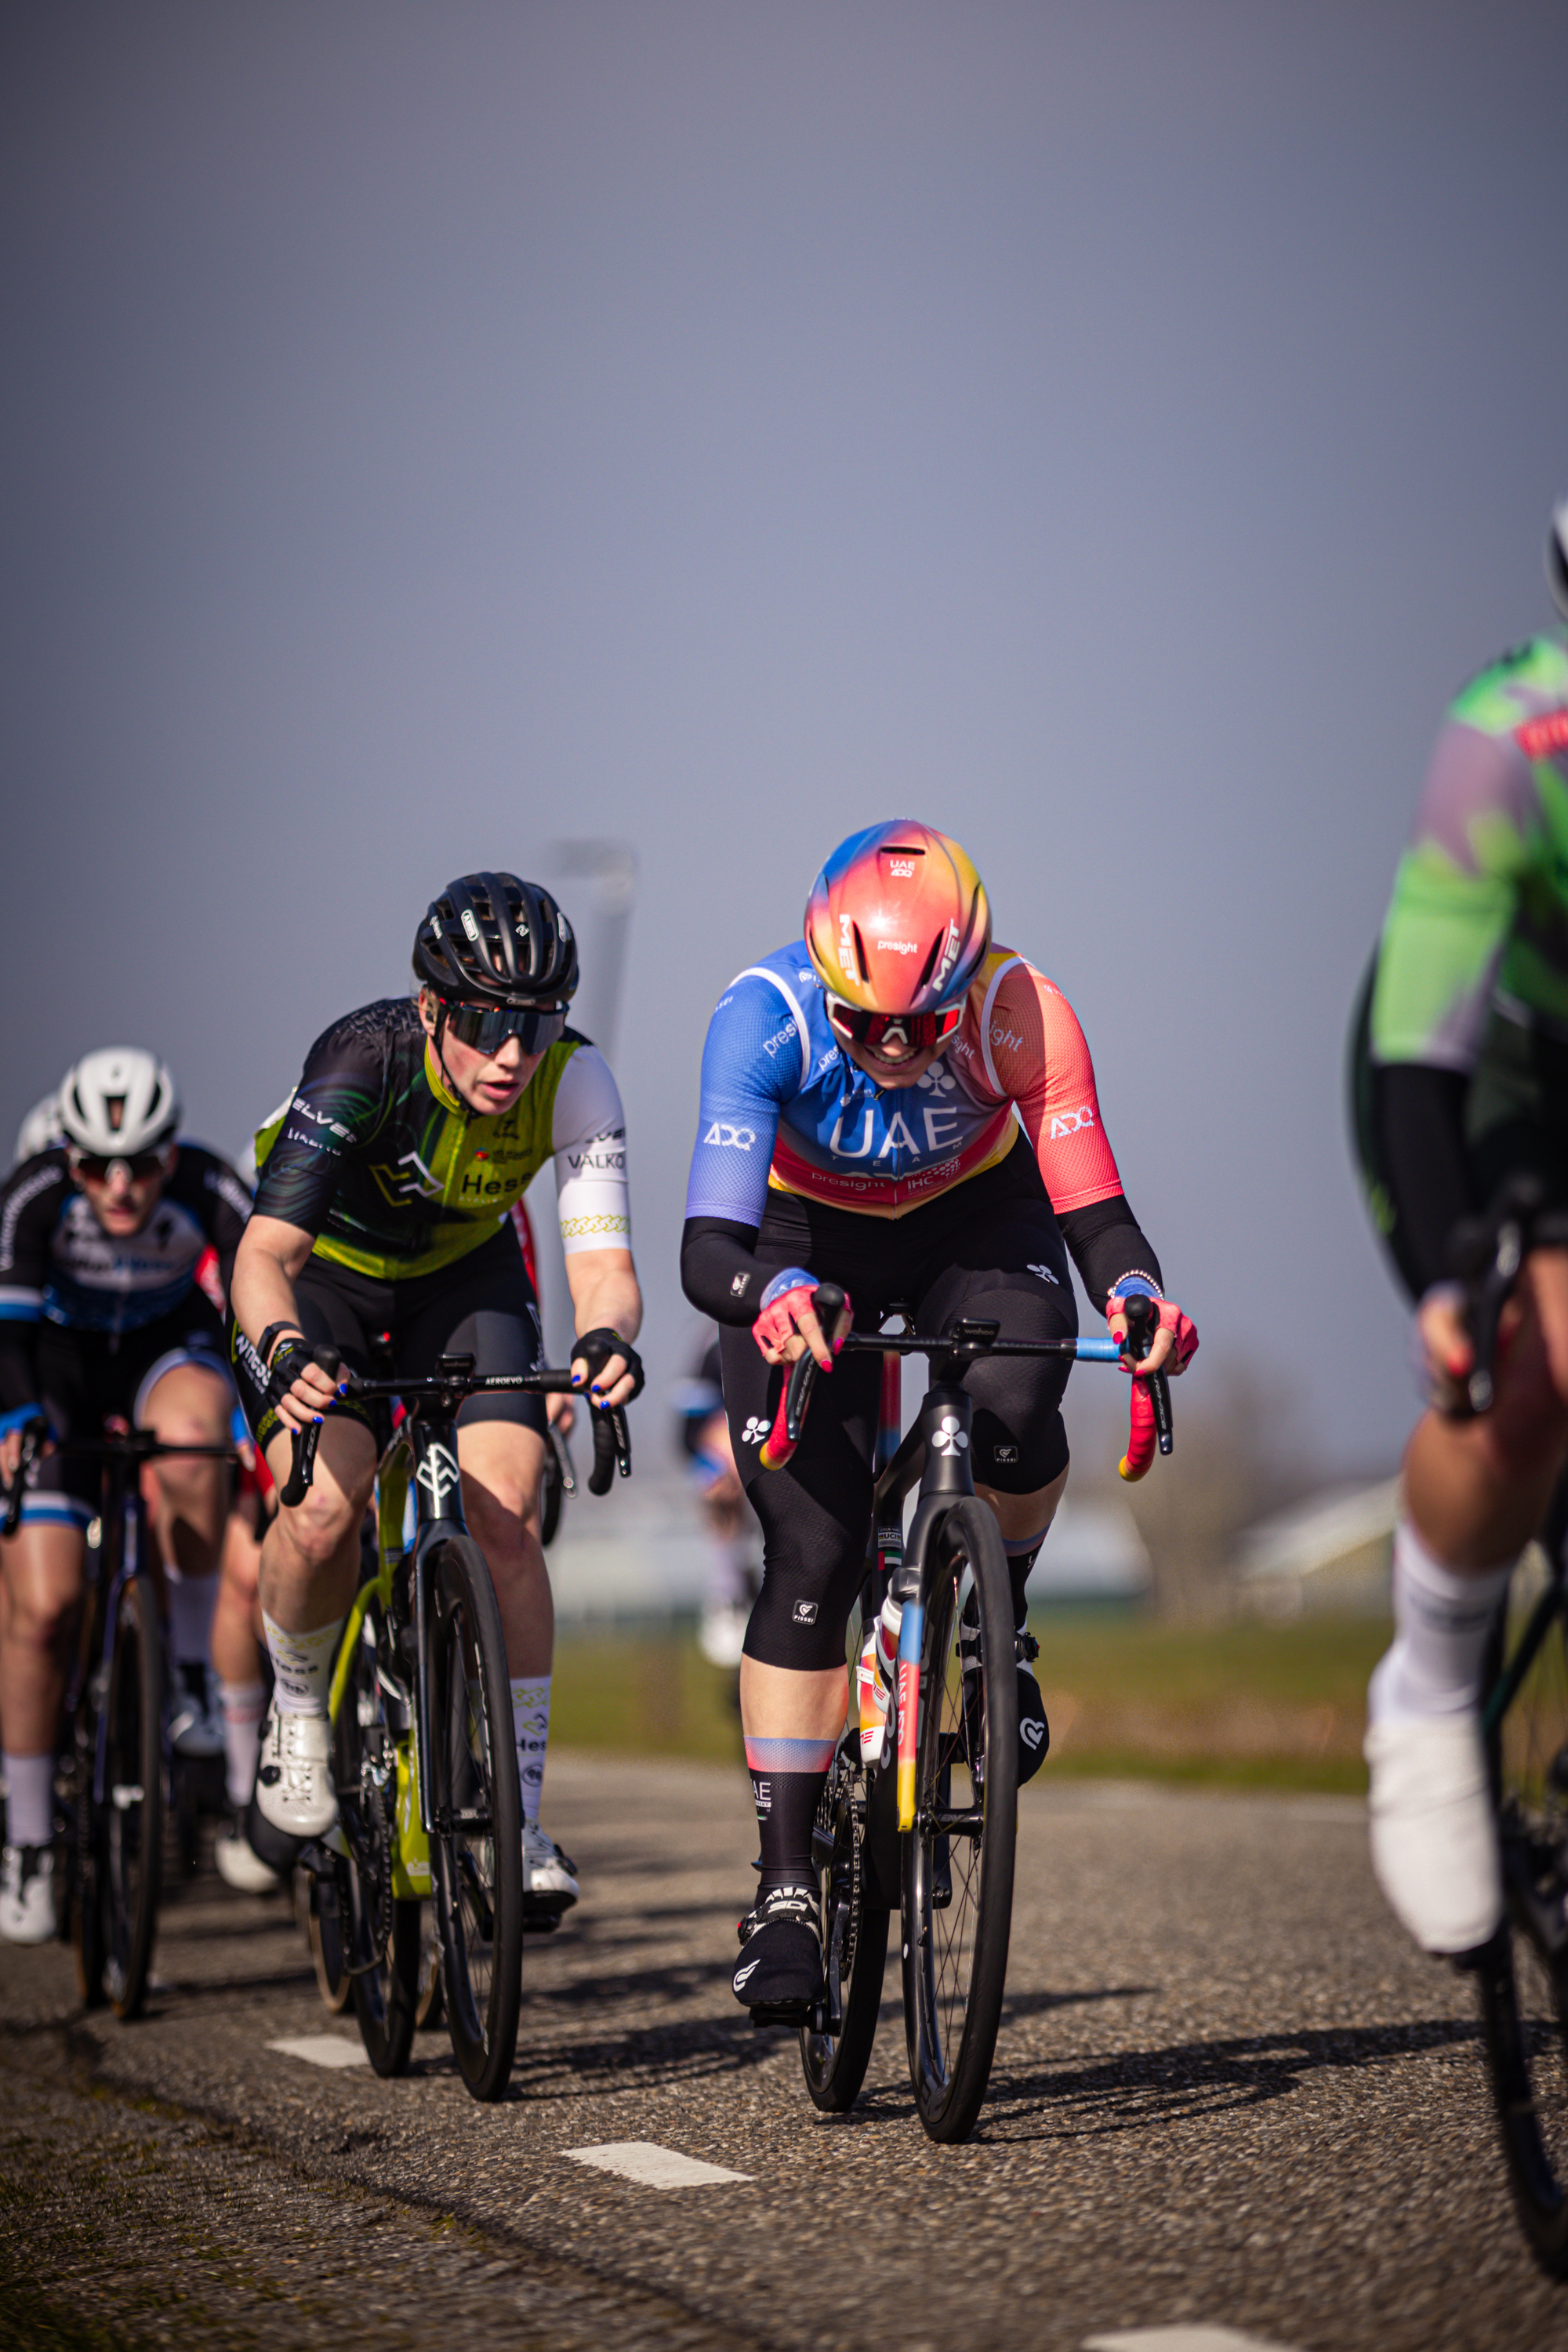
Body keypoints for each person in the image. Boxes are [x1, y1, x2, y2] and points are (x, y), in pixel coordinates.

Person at [680, 819, 1197, 2013]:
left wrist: (1136, 1296)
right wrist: (773, 1293)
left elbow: (1097, 1213)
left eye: (926, 1021)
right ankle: (787, 1883)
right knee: (813, 1548)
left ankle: (992, 1633)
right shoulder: (762, 1016)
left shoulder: (1025, 1010)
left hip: (978, 1217)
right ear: (825, 983)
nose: (900, 1048)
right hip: (806, 1237)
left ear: (968, 984)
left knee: (1019, 1401)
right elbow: (711, 1246)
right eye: (870, 1026)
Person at [226, 871, 644, 1923]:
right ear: (432, 1010)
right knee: (323, 1509)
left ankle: (520, 1816)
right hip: (324, 1278)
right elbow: (264, 1255)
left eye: (538, 1025)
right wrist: (280, 1346)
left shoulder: (578, 1083)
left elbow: (603, 1269)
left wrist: (605, 1340)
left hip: (464, 1278)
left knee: (504, 1518)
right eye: (488, 1022)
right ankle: (295, 1720)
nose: (513, 1053)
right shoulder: (359, 1063)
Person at [1353, 499, 1568, 1957]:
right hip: (1488, 1077)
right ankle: (1429, 1692)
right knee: (1538, 1349)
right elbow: (1416, 1051)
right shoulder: (1512, 742)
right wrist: (1448, 1283)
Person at [0, 1050, 252, 1940]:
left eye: (142, 1163)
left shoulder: (212, 1186)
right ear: (66, 1157)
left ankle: (185, 1668)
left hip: (162, 1351)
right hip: (56, 1370)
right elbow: (7, 1334)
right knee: (44, 1608)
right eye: (96, 1166)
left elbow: (259, 1297)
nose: (119, 1186)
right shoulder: (31, 1197)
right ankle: (28, 1838)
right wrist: (19, 1416)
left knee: (194, 1448)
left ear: (170, 1153)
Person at [673, 1325, 761, 1670]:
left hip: (780, 1455)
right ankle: (727, 1594)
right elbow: (688, 1431)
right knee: (712, 1481)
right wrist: (718, 1458)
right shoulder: (716, 1344)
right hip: (729, 1463)